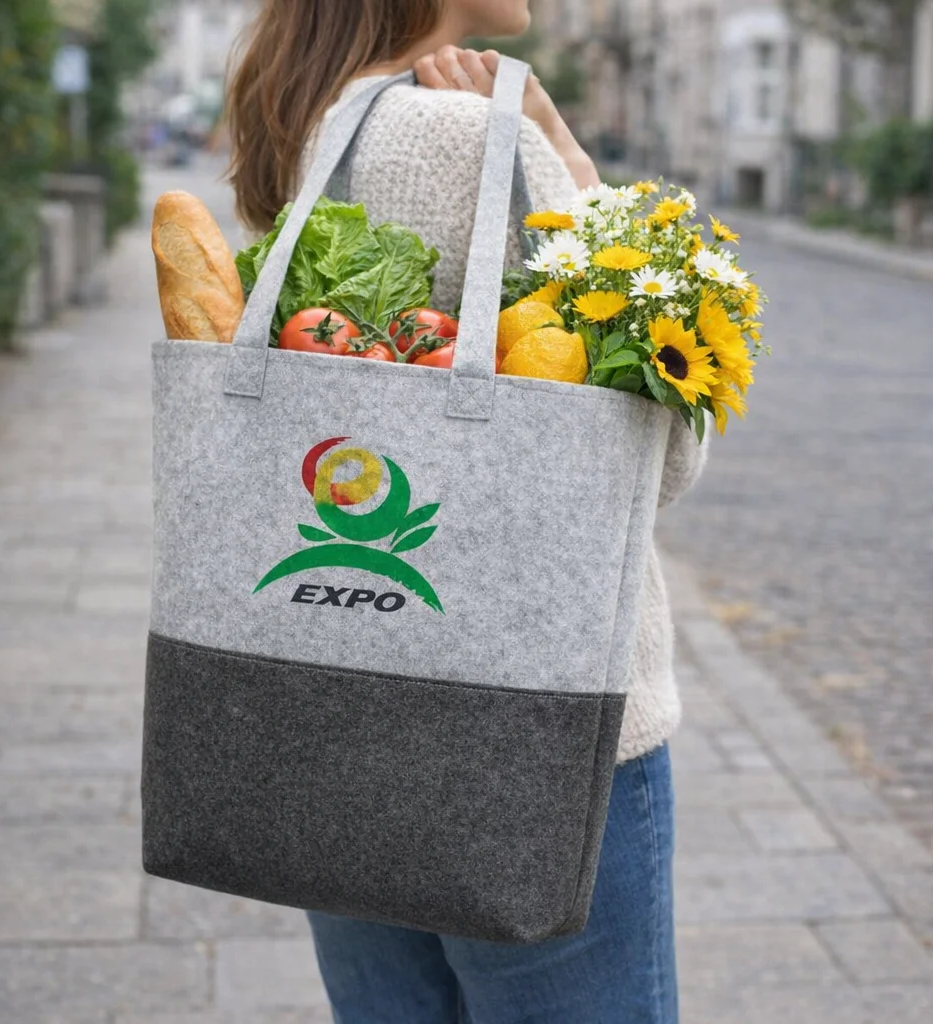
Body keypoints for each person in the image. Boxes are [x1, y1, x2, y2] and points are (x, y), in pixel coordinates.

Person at [226, 2, 709, 1021]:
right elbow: (645, 461)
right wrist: (567, 158)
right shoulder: (470, 133)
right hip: (532, 733)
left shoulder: (309, 121)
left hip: (325, 711)